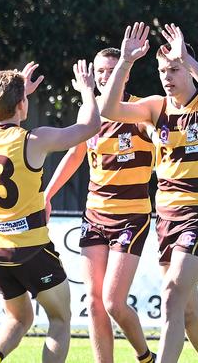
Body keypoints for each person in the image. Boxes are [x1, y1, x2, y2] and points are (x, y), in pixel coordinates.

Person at [100, 22, 198, 363]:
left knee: (172, 294)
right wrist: (127, 62)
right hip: (166, 220)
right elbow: (108, 110)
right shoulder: (156, 108)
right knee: (188, 314)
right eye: (162, 70)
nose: (167, 76)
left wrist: (188, 60)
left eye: (174, 69)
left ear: (189, 69)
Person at [0, 60, 100, 363]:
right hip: (31, 249)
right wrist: (88, 91)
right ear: (21, 104)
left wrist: (16, 93)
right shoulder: (33, 140)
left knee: (18, 318)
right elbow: (91, 127)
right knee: (60, 319)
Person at [44, 48, 156, 363]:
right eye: (100, 71)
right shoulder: (90, 114)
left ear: (125, 73)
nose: (105, 77)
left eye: (111, 70)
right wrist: (47, 195)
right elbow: (75, 154)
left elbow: (161, 139)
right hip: (95, 216)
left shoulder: (138, 110)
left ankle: (145, 356)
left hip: (131, 216)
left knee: (113, 302)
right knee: (94, 302)